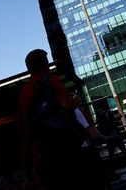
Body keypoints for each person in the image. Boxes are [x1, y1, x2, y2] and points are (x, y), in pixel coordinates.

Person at [17, 49, 102, 189]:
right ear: (45, 64)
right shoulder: (52, 80)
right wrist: (75, 100)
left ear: (29, 69)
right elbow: (67, 106)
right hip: (68, 152)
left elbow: (24, 136)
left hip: (43, 159)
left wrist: (27, 174)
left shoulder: (23, 96)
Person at [95, 104, 126, 177]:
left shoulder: (98, 115)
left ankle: (111, 171)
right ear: (106, 106)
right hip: (114, 135)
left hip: (107, 137)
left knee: (111, 155)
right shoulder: (109, 113)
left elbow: (99, 125)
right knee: (124, 151)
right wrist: (117, 120)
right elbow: (112, 123)